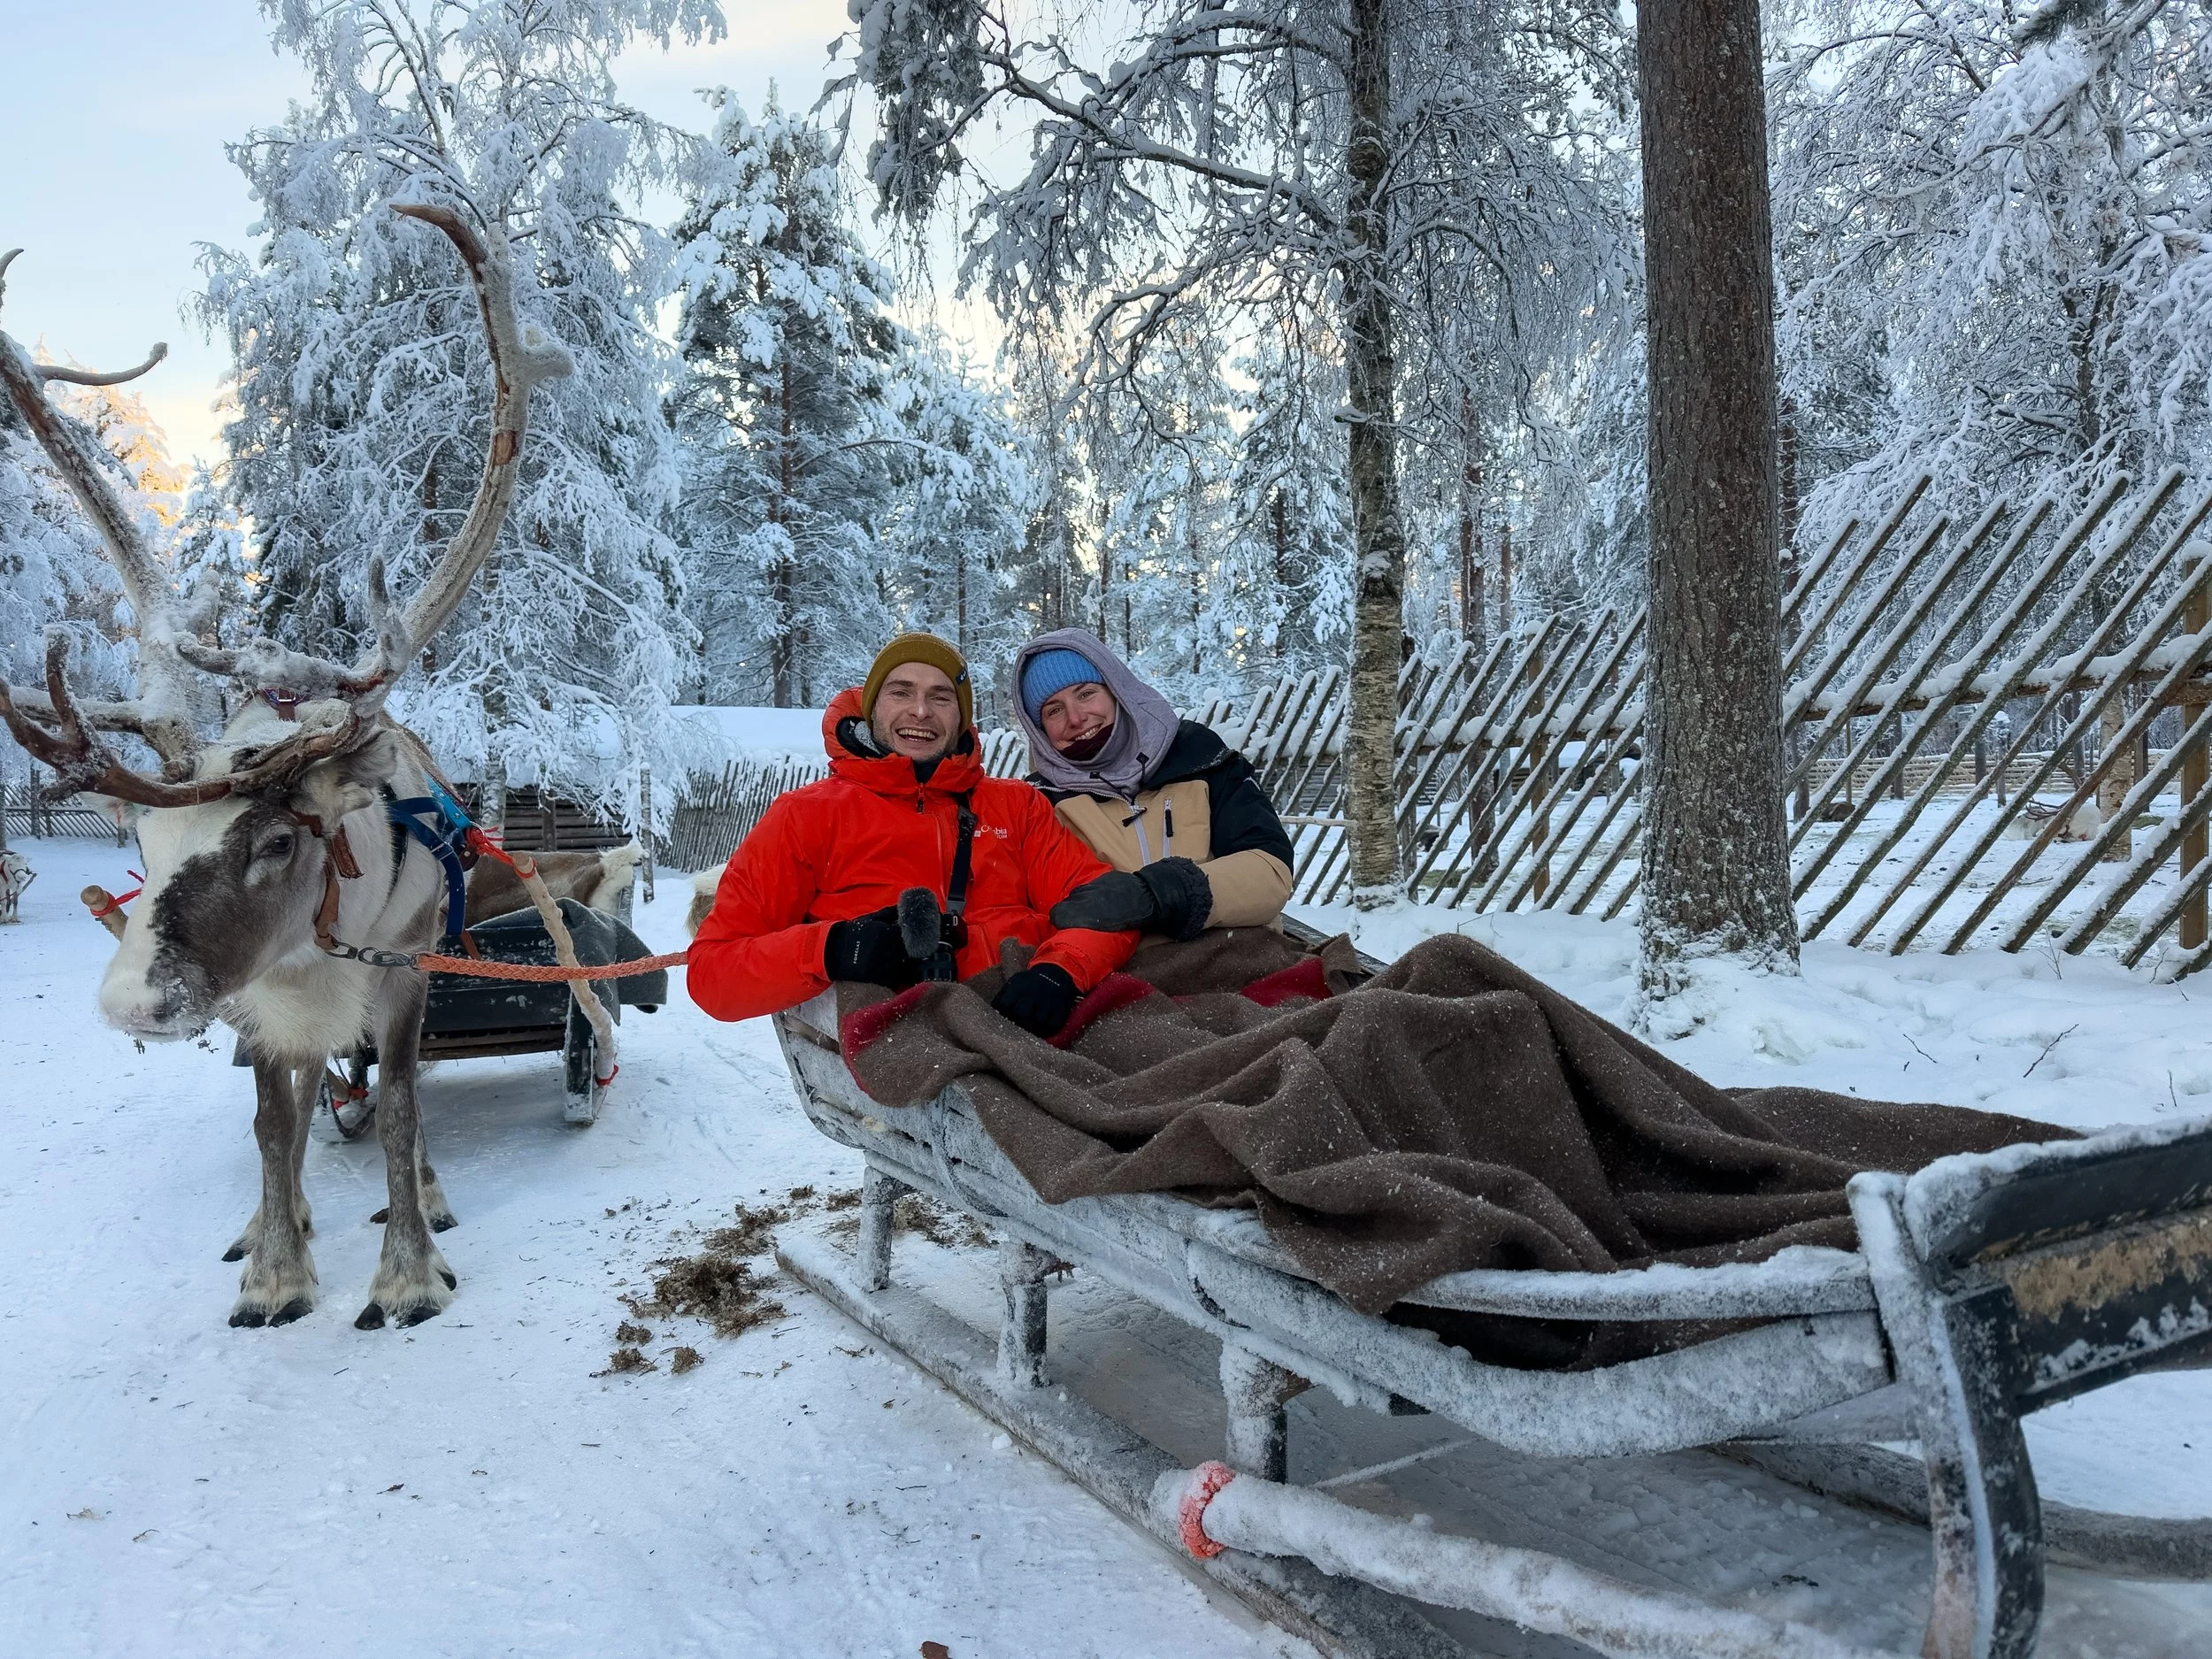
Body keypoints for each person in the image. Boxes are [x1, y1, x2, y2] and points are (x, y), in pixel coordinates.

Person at [687, 634, 1138, 1038]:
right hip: (901, 1031)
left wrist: (1058, 972)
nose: (921, 711)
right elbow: (713, 974)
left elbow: (1104, 908)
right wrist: (831, 948)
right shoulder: (806, 815)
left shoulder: (1017, 806)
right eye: (901, 692)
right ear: (872, 706)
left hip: (1026, 1012)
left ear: (961, 718)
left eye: (941, 697)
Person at [1011, 629, 1295, 941]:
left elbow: (1270, 871)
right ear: (1038, 730)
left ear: (1116, 690)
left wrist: (1163, 894)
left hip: (1237, 952)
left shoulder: (1199, 757)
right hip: (1116, 972)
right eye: (1054, 710)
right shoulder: (1039, 803)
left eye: (1086, 693)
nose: (1076, 718)